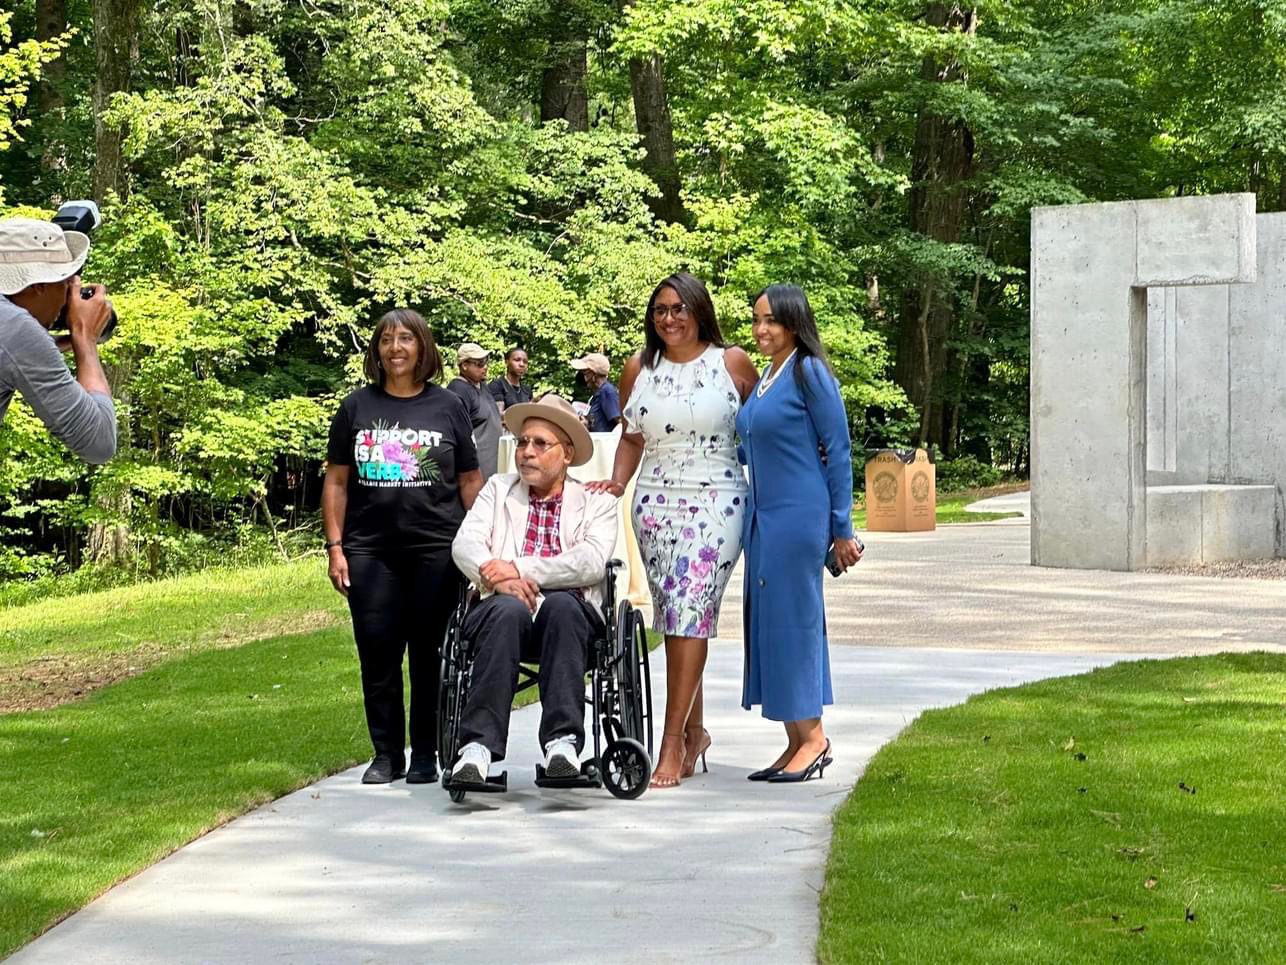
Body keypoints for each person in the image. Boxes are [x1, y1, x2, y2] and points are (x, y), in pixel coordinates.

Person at [588, 273, 759, 788]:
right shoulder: (639, 368)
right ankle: (696, 732)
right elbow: (632, 438)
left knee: (691, 610)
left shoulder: (731, 363)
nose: (670, 317)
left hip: (718, 500)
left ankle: (669, 742)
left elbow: (766, 424)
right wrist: (617, 484)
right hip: (656, 505)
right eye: (661, 309)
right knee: (680, 621)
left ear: (699, 311)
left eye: (680, 308)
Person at [322, 309, 483, 785]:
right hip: (370, 552)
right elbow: (336, 482)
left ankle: (425, 756)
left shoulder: (448, 406)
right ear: (376, 350)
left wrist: (483, 544)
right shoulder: (355, 407)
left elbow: (470, 481)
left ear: (422, 348)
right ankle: (386, 754)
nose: (396, 347)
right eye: (387, 339)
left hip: (437, 549)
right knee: (378, 654)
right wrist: (335, 546)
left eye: (406, 339)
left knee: (430, 654)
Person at [449, 395, 618, 785]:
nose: (526, 452)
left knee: (560, 607)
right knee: (508, 611)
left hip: (568, 617)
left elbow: (590, 562)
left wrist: (519, 567)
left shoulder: (595, 501)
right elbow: (465, 544)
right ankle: (476, 750)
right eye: (523, 442)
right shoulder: (496, 490)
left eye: (540, 444)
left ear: (567, 454)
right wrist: (500, 579)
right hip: (501, 608)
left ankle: (562, 744)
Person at [736, 285, 862, 783]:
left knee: (794, 622)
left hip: (798, 516)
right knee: (768, 622)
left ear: (793, 322)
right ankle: (794, 740)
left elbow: (839, 447)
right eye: (756, 321)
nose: (761, 330)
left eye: (771, 321)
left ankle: (814, 739)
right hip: (763, 517)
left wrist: (842, 529)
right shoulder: (767, 375)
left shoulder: (808, 371)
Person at [0, 217, 116, 464]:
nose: (71, 294)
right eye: (66, 281)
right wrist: (84, 336)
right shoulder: (15, 328)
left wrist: (52, 345)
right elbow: (99, 442)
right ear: (39, 285)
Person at [447, 342, 503, 477]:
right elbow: (457, 434)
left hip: (493, 466)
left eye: (486, 362)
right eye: (479, 363)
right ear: (464, 365)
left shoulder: (482, 386)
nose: (485, 367)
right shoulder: (458, 390)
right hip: (475, 472)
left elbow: (491, 417)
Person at [571, 352, 621, 432]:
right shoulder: (598, 393)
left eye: (585, 373)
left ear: (595, 374)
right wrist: (587, 424)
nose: (585, 379)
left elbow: (620, 423)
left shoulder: (607, 391)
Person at [487, 347, 532, 412]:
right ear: (507, 362)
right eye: (517, 360)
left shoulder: (527, 390)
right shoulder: (497, 385)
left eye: (525, 362)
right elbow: (499, 415)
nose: (521, 364)